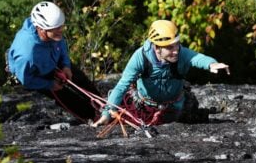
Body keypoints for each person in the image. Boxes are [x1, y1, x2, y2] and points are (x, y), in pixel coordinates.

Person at [92, 19, 229, 127]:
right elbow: (122, 85)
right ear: (157, 48)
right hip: (144, 107)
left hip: (176, 106)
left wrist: (212, 64)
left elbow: (197, 58)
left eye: (177, 44)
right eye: (170, 47)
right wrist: (106, 114)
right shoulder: (140, 58)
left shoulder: (181, 54)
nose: (176, 50)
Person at [7, 1, 102, 122]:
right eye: (56, 28)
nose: (61, 30)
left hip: (51, 59)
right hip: (37, 72)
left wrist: (66, 65)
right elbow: (26, 80)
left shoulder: (53, 32)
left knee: (80, 79)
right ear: (41, 29)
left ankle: (104, 107)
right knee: (66, 96)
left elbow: (60, 44)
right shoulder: (27, 54)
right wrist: (49, 84)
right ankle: (92, 116)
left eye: (61, 26)